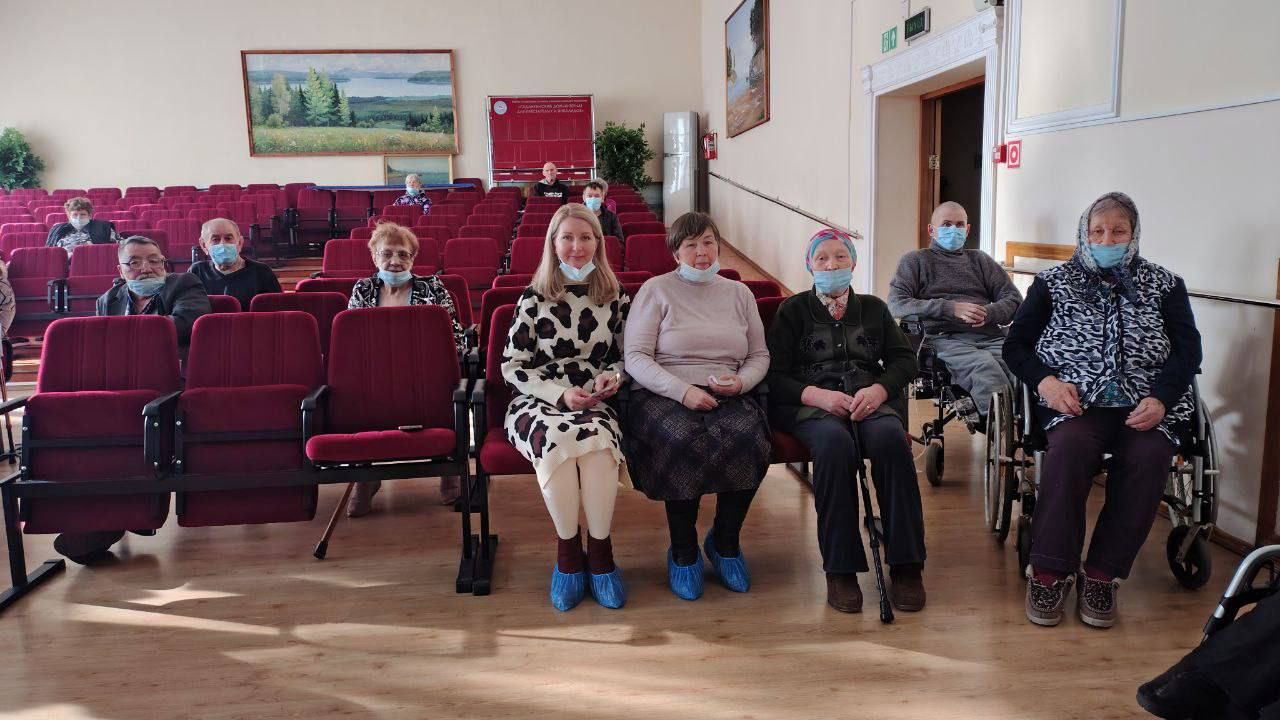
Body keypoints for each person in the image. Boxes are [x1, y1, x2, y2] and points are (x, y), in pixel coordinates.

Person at [1003, 192, 1202, 629]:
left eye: (1118, 231)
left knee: (1151, 456)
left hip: (1146, 404)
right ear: (1084, 233)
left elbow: (1188, 352)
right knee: (1070, 450)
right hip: (1076, 401)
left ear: (1134, 234)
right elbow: (1015, 346)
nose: (1107, 239)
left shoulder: (1165, 284)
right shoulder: (1052, 283)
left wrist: (1162, 398)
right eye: (1097, 231)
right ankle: (1050, 571)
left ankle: (1101, 574)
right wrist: (1047, 382)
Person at [766, 228, 925, 614]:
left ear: (853, 262)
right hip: (812, 406)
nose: (831, 264)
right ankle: (841, 569)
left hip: (868, 402)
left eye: (840, 256)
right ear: (809, 265)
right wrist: (818, 396)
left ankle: (906, 565)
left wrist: (879, 390)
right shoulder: (792, 310)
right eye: (822, 258)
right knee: (834, 446)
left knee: (891, 441)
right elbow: (774, 376)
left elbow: (905, 360)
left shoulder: (873, 308)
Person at [623, 212, 769, 600]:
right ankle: (683, 551)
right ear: (675, 253)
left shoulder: (739, 294)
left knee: (748, 438)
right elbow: (635, 357)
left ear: (718, 246)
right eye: (690, 245)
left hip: (728, 390)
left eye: (708, 242)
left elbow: (758, 354)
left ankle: (725, 542)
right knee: (682, 439)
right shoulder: (656, 290)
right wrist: (682, 391)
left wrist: (742, 381)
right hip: (663, 391)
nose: (701, 252)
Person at [501, 203, 630, 611]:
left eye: (586, 237)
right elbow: (512, 366)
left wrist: (613, 377)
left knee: (597, 444)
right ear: (553, 244)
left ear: (598, 242)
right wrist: (558, 395)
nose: (577, 246)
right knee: (556, 439)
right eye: (568, 238)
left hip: (595, 399)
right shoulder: (533, 297)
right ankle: (569, 555)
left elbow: (627, 357)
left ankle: (602, 554)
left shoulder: (615, 295)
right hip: (539, 400)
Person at [346, 222, 467, 516]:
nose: (395, 261)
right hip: (374, 376)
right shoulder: (363, 289)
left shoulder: (433, 288)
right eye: (387, 253)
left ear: (413, 258)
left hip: (425, 374)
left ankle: (449, 471)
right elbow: (349, 342)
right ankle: (366, 476)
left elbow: (455, 340)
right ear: (374, 256)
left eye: (403, 254)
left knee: (448, 390)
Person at [888, 201, 1022, 430]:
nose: (954, 229)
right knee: (985, 368)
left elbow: (1014, 299)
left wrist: (989, 313)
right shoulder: (915, 260)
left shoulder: (980, 260)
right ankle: (996, 425)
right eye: (947, 224)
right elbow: (896, 304)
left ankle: (1026, 428)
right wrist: (950, 308)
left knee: (1018, 367)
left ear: (967, 230)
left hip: (988, 334)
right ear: (931, 230)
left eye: (959, 225)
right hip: (942, 338)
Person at [96, 236, 211, 349]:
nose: (147, 269)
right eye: (134, 263)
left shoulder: (184, 283)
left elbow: (187, 326)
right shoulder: (107, 300)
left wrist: (123, 333)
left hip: (169, 358)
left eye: (154, 261)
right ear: (121, 271)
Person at [188, 218, 281, 310]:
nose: (223, 244)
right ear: (204, 245)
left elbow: (277, 313)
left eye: (228, 238)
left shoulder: (262, 272)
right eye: (215, 239)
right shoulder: (196, 272)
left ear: (240, 243)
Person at [46, 197, 119, 254]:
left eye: (83, 214)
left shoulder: (103, 227)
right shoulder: (58, 230)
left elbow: (120, 246)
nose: (79, 218)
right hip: (64, 263)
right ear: (69, 216)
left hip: (94, 261)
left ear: (90, 215)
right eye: (75, 214)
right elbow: (49, 252)